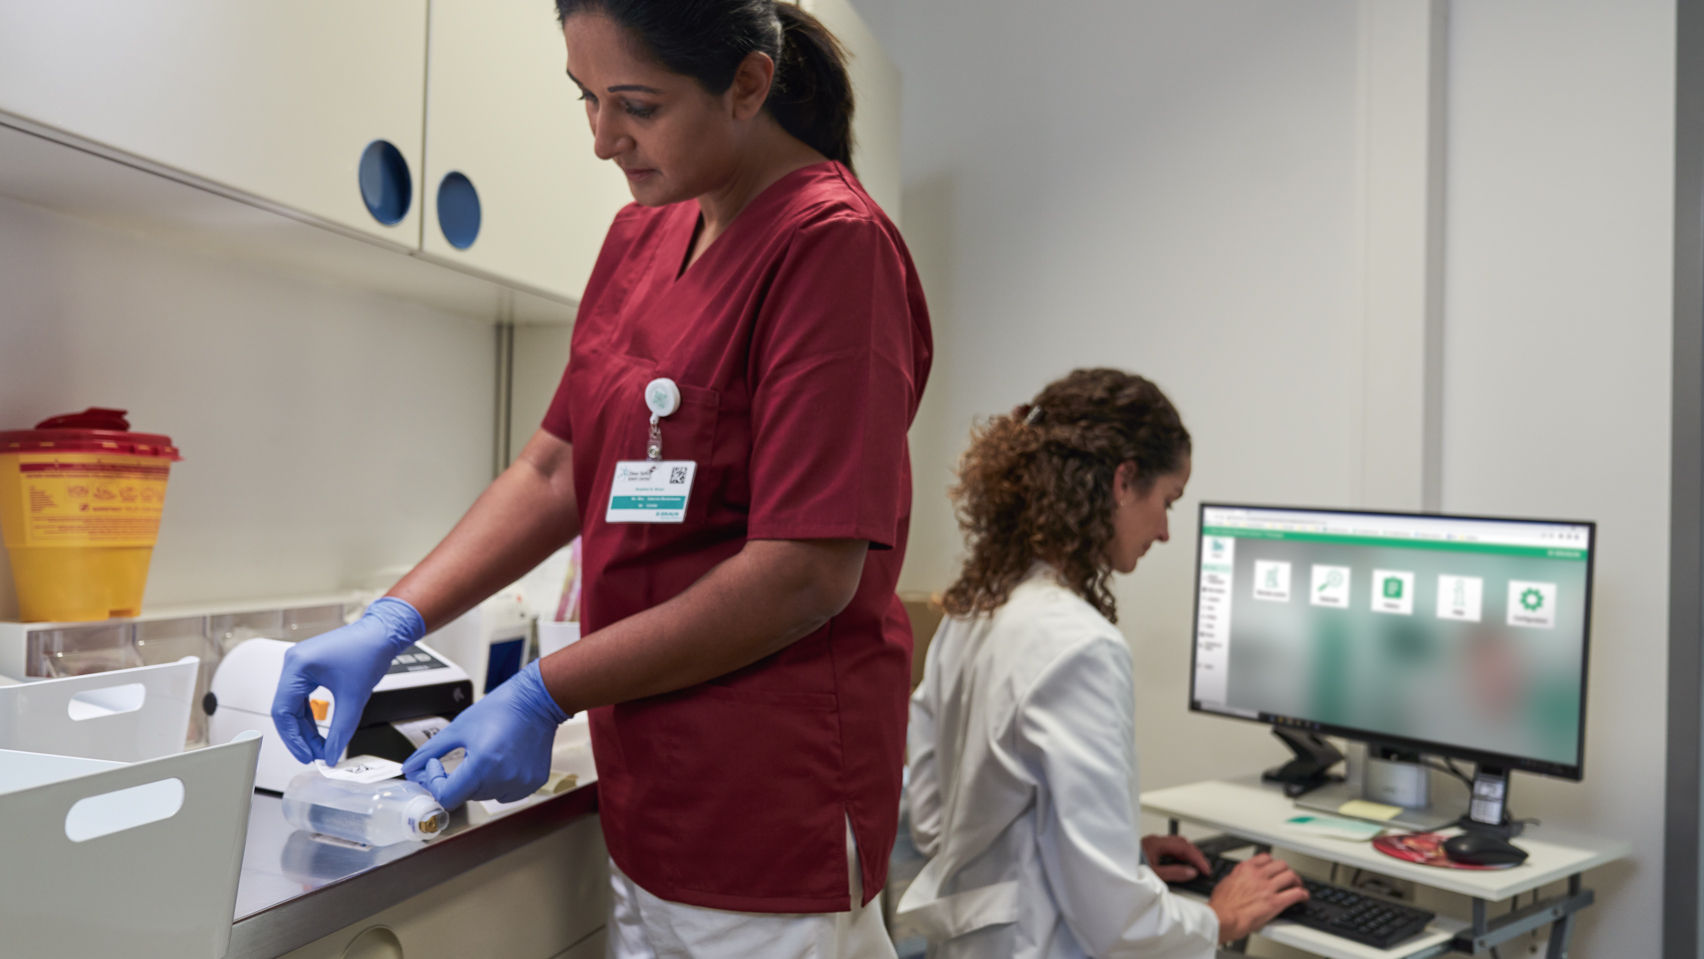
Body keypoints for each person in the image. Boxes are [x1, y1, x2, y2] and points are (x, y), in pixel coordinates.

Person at [271, 1, 931, 955]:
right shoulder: (645, 234)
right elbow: (555, 468)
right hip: (644, 795)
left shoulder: (833, 246)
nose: (601, 140)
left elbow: (805, 569)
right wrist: (392, 619)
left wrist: (545, 689)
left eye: (636, 105)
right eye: (585, 98)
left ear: (748, 83)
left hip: (765, 818)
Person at [897, 369, 1305, 958]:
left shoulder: (973, 610)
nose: (1165, 530)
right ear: (1122, 481)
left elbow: (936, 823)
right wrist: (1217, 920)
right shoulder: (1081, 644)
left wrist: (1118, 856)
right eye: (1167, 501)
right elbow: (1113, 919)